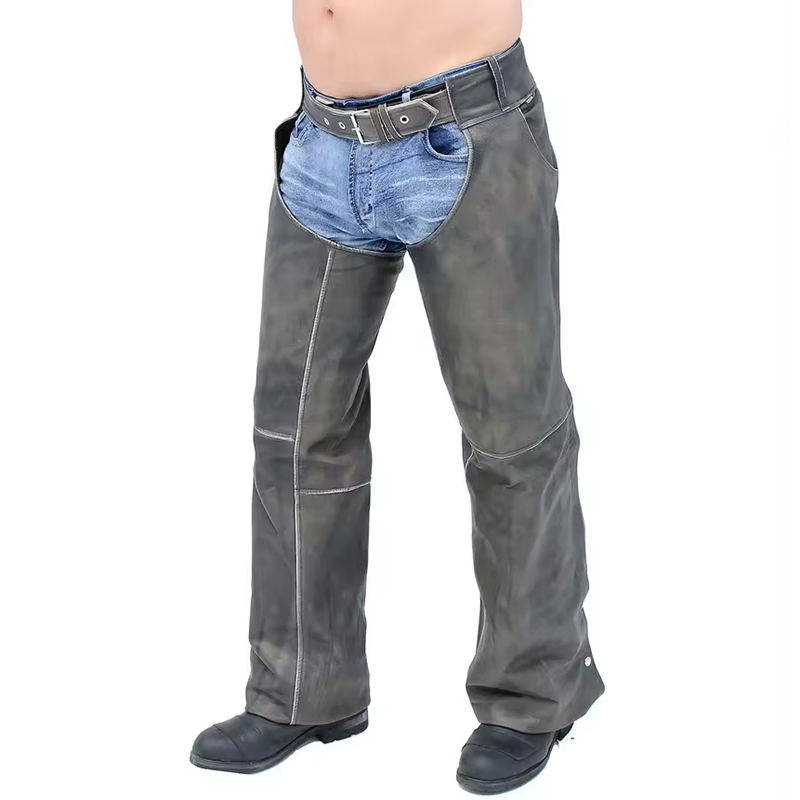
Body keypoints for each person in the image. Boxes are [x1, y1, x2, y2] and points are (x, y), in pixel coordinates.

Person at [190, 1, 604, 793]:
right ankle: (305, 689)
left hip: (467, 127)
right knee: (296, 432)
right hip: (324, 138)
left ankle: (535, 695)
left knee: (513, 435)